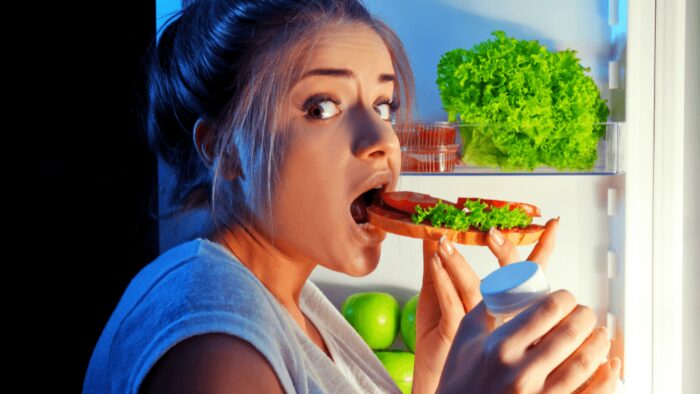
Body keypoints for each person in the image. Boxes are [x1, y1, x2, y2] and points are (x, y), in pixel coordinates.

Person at [83, 0, 621, 393]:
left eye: (383, 105)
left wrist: (434, 374)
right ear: (224, 150)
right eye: (322, 107)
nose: (383, 140)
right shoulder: (216, 351)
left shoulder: (288, 298)